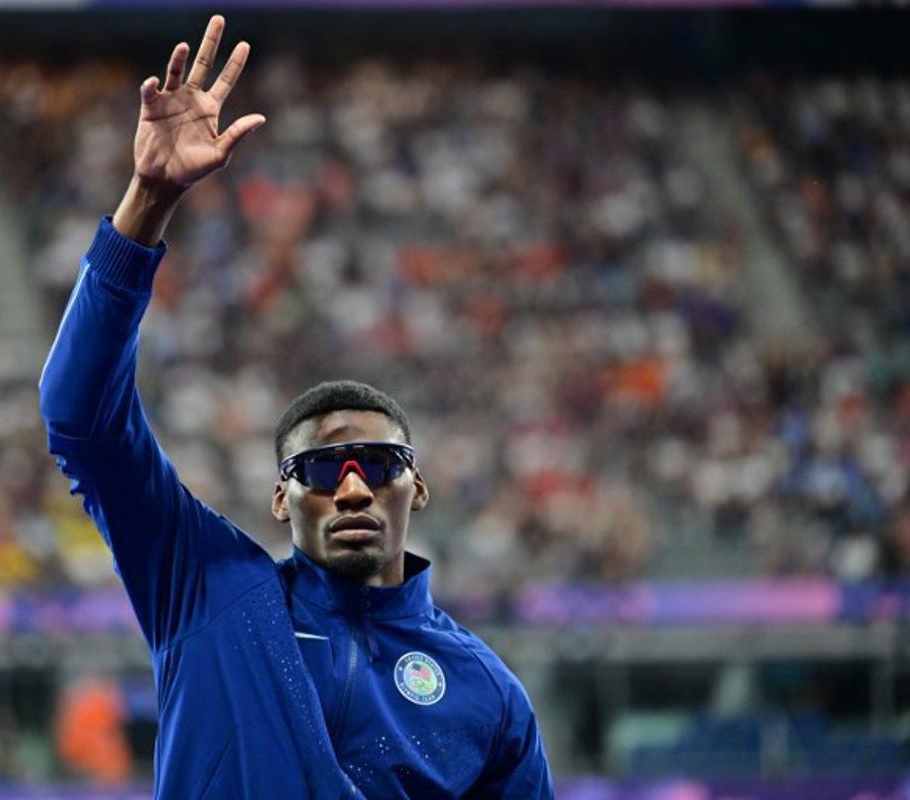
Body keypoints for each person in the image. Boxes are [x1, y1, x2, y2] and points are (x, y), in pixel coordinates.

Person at [38, 15, 552, 798]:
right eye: (320, 469)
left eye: (379, 464)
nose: (352, 485)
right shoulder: (207, 589)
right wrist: (147, 200)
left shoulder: (488, 695)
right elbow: (81, 419)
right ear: (281, 497)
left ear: (417, 485)